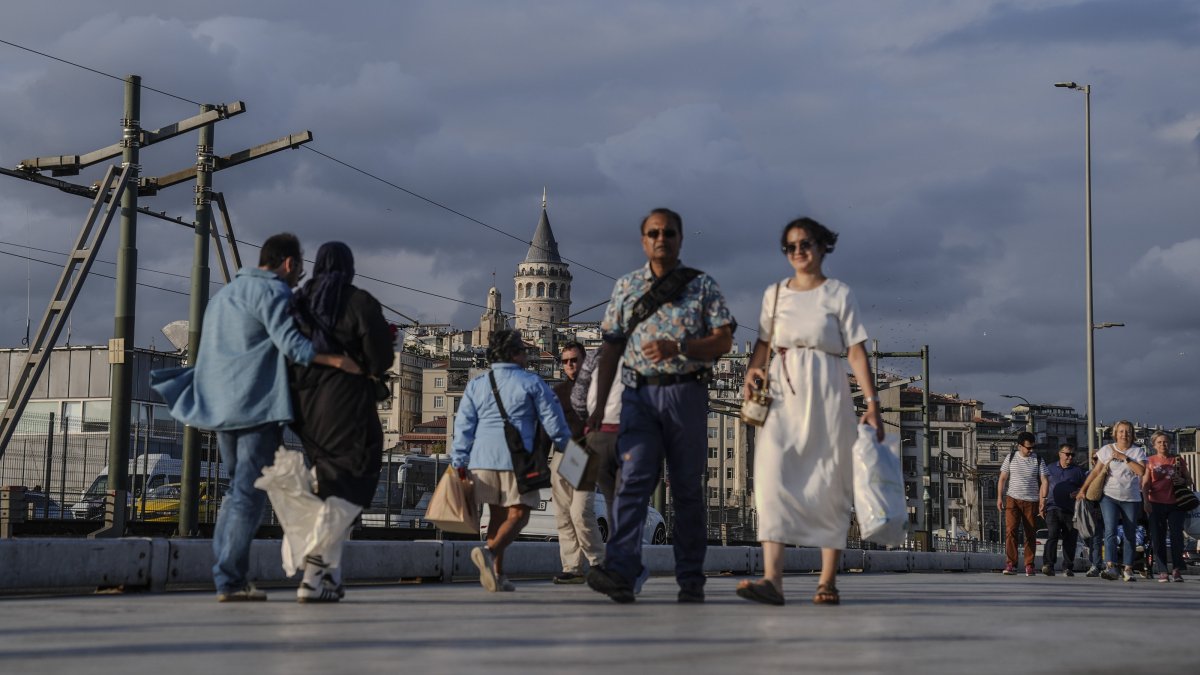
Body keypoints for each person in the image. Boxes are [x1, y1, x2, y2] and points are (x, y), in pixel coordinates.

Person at [150, 233, 359, 602]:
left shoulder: (225, 295)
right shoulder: (274, 293)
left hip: (221, 405)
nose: (298, 278)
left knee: (236, 490)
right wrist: (338, 360)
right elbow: (292, 345)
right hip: (255, 405)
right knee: (248, 494)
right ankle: (229, 579)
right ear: (290, 264)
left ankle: (227, 575)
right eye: (299, 269)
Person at [586, 207, 735, 604]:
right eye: (653, 233)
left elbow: (723, 341)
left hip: (686, 394)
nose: (661, 239)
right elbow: (611, 345)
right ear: (643, 240)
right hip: (639, 397)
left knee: (687, 490)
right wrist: (600, 407)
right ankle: (620, 569)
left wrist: (680, 347)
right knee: (633, 482)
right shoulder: (627, 286)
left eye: (669, 233)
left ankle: (690, 579)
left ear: (680, 238)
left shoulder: (701, 287)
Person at [734, 217, 882, 608]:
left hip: (828, 389)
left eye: (805, 244)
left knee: (830, 480)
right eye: (791, 246)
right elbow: (763, 343)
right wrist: (753, 369)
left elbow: (855, 351)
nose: (798, 252)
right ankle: (772, 580)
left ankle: (828, 581)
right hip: (782, 392)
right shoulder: (775, 294)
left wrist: (872, 403)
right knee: (769, 476)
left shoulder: (838, 294)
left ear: (821, 247)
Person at [286, 242, 394, 602]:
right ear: (349, 267)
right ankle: (314, 569)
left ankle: (330, 578)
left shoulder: (299, 300)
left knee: (327, 483)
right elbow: (380, 356)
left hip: (304, 406)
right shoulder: (358, 301)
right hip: (346, 402)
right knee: (356, 481)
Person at [451, 329, 572, 592]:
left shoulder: (477, 384)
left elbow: (463, 426)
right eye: (524, 350)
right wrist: (568, 448)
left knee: (496, 516)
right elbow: (553, 422)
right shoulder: (532, 383)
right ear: (514, 354)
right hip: (516, 461)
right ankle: (489, 552)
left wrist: (459, 459)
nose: (527, 355)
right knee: (520, 514)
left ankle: (497, 575)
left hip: (481, 460)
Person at [549, 341, 605, 584]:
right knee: (563, 515)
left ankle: (598, 562)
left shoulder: (597, 390)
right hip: (565, 454)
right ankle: (572, 567)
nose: (570, 365)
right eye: (565, 361)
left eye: (574, 360)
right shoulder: (558, 391)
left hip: (588, 453)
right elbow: (547, 427)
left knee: (580, 512)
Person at [1079, 420, 1146, 582]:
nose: (1124, 434)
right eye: (1121, 431)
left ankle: (1128, 568)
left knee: (1130, 533)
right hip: (1109, 496)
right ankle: (1111, 566)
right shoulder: (1107, 450)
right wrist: (1083, 489)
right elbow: (1095, 472)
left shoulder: (1137, 452)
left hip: (1131, 498)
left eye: (1128, 431)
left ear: (1132, 434)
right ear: (1115, 434)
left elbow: (1141, 471)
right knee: (1110, 531)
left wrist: (1125, 458)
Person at [1142, 431, 1192, 582]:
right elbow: (1145, 484)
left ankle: (1177, 569)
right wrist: (1146, 501)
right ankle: (1162, 570)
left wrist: (1182, 480)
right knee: (1158, 537)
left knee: (1177, 536)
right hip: (1156, 503)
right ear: (1154, 445)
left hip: (1176, 503)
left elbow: (1189, 480)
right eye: (1159, 442)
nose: (1163, 445)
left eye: (1165, 442)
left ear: (1170, 444)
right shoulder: (1149, 461)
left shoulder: (1177, 460)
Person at [997, 431, 1049, 577]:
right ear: (1020, 446)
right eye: (1028, 448)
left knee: (1030, 533)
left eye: (1033, 447)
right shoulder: (1011, 457)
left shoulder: (1038, 459)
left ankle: (1029, 565)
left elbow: (1044, 480)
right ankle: (1011, 564)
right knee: (1011, 531)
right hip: (1012, 499)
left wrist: (1043, 499)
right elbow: (1002, 478)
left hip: (1031, 501)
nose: (1031, 450)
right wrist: (999, 498)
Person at [1042, 443, 1086, 576]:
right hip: (1052, 507)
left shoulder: (1078, 471)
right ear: (1060, 454)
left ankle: (1067, 567)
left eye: (1072, 455)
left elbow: (1084, 488)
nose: (1070, 457)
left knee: (1070, 538)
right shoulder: (1049, 468)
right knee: (1052, 535)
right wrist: (1041, 502)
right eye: (1067, 454)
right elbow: (1044, 485)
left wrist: (1078, 492)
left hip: (1070, 510)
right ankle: (1048, 565)